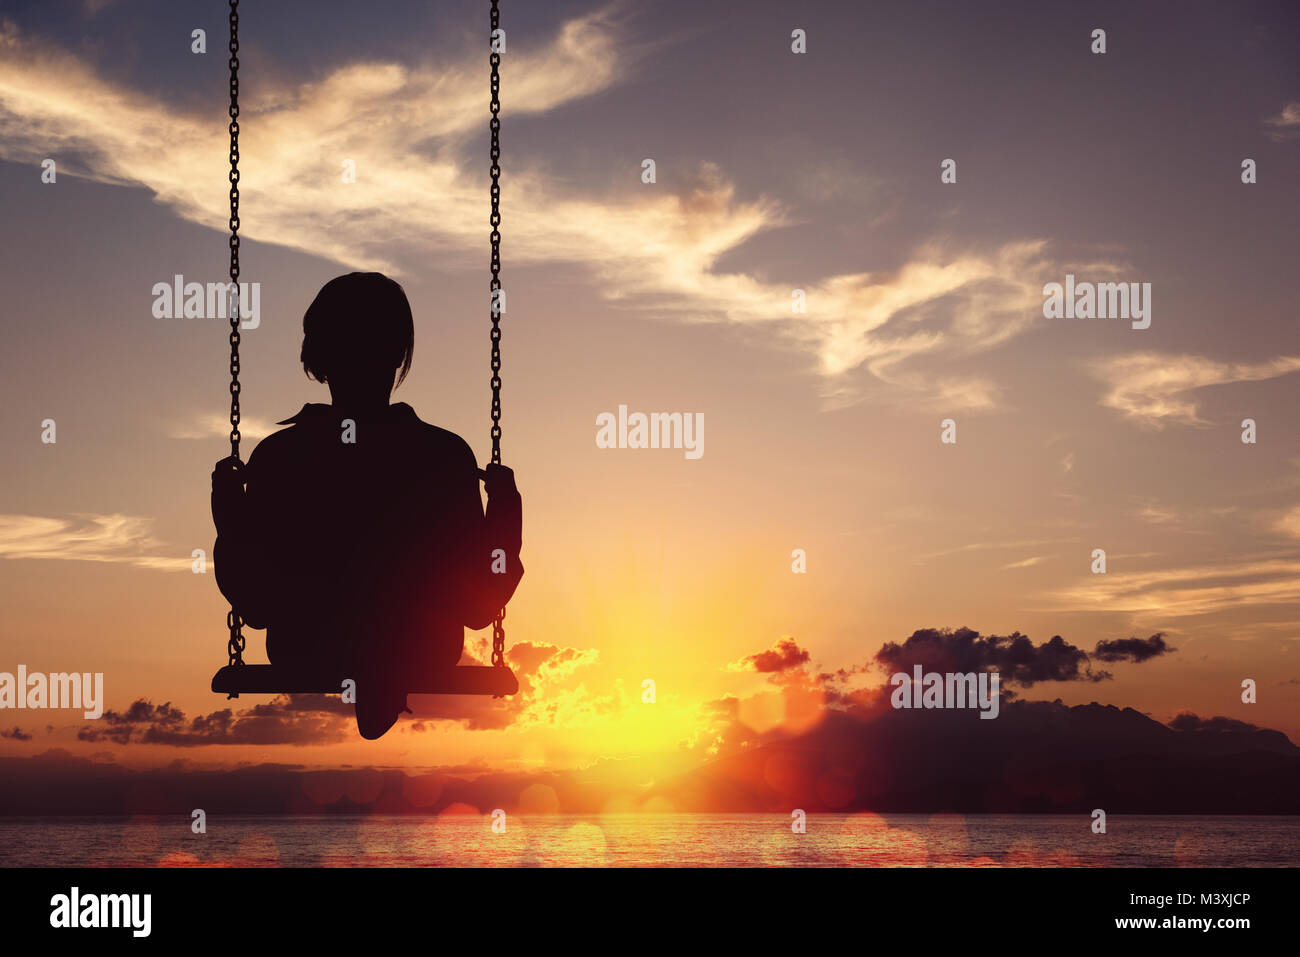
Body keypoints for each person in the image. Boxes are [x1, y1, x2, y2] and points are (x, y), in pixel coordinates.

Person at [210, 272, 523, 739]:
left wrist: (230, 515)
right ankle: (382, 671)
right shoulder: (443, 456)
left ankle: (377, 670)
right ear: (399, 354)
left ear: (316, 356)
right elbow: (477, 606)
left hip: (308, 648)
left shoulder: (280, 457)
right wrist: (504, 510)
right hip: (422, 650)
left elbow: (254, 604)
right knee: (397, 631)